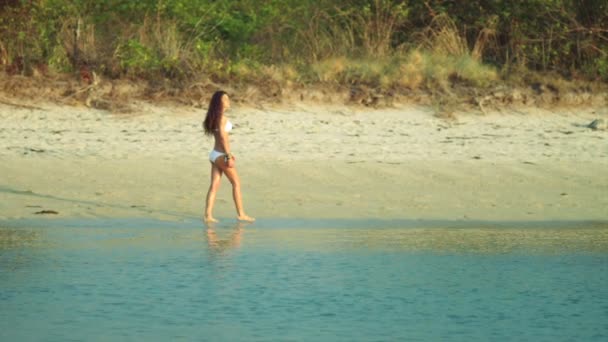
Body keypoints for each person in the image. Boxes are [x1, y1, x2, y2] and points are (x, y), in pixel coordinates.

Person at [203, 90, 255, 223]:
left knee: (214, 185)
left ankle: (208, 216)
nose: (228, 101)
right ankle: (241, 214)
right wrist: (228, 156)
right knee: (236, 183)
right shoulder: (222, 119)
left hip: (214, 154)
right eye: (225, 99)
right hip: (221, 155)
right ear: (219, 102)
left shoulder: (214, 117)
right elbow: (223, 137)